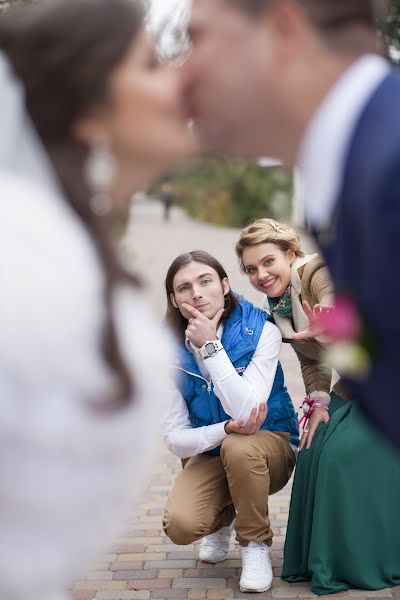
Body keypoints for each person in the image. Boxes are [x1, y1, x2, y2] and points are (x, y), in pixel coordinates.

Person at [0, 1, 196, 599]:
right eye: (151, 65)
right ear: (89, 112)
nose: (181, 80)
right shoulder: (26, 270)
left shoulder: (60, 241)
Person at [182, 0, 400, 450]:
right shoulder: (352, 175)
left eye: (198, 39)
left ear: (283, 31)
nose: (182, 74)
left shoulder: (389, 168)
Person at [236, 218, 400, 594]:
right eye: (250, 269)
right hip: (358, 381)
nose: (260, 274)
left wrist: (328, 318)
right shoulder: (277, 306)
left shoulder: (314, 272)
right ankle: (320, 554)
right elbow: (311, 361)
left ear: (290, 255)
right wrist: (320, 400)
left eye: (268, 262)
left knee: (341, 455)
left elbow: (331, 296)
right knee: (311, 444)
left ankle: (365, 555)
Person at [162, 250, 298, 593]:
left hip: (270, 445)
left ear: (224, 285)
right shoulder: (165, 350)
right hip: (216, 448)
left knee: (240, 446)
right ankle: (221, 520)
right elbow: (175, 438)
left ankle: (255, 545)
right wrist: (222, 429)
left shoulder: (261, 330)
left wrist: (210, 345)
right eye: (184, 288)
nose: (196, 292)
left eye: (205, 281)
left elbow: (248, 411)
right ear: (174, 301)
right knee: (181, 525)